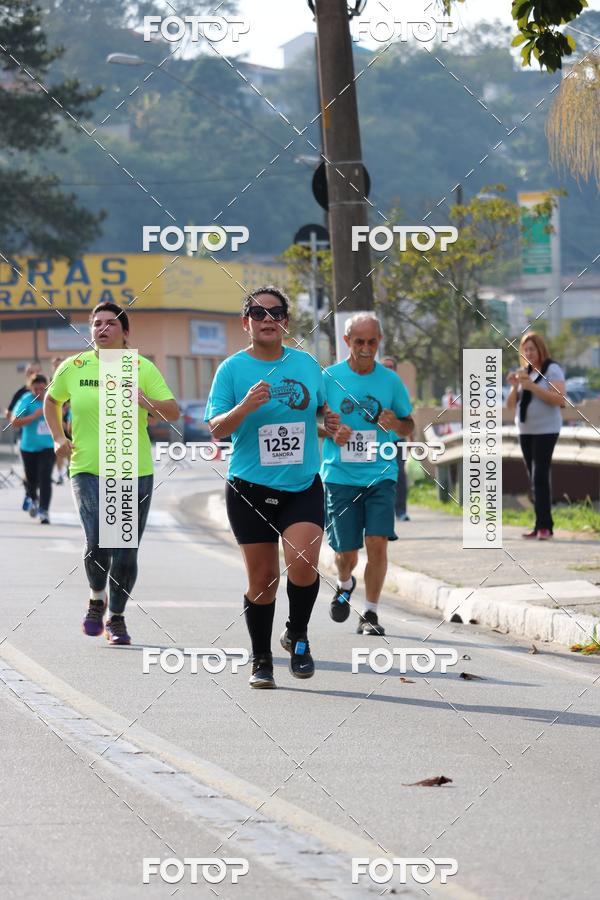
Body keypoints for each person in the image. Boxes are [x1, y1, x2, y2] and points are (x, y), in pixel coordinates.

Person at [205, 286, 325, 689]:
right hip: (249, 488)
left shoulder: (307, 364)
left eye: (275, 312)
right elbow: (217, 428)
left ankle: (298, 633)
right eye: (258, 312)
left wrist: (332, 425)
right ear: (246, 323)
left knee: (304, 562)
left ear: (286, 322)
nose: (267, 318)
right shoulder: (232, 370)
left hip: (302, 484)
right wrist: (245, 407)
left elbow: (322, 408)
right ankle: (261, 659)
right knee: (263, 580)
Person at [43, 301, 179, 644]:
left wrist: (145, 401)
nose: (102, 329)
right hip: (87, 467)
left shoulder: (141, 367)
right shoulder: (74, 366)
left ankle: (116, 617)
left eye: (110, 324)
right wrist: (59, 436)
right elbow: (51, 400)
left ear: (125, 332)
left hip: (133, 469)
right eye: (96, 324)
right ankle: (95, 597)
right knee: (98, 541)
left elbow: (172, 412)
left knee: (125, 547)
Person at [321, 313, 413, 636]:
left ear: (379, 342)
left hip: (380, 474)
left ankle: (370, 613)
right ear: (346, 342)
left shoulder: (390, 381)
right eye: (358, 341)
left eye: (371, 342)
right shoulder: (329, 378)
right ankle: (345, 582)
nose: (365, 348)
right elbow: (311, 421)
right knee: (346, 553)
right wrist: (330, 432)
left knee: (377, 543)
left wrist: (397, 425)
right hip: (340, 476)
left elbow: (409, 424)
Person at [506, 331, 566, 540]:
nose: (529, 353)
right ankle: (539, 523)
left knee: (540, 476)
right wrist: (516, 387)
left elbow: (559, 400)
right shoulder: (526, 372)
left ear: (540, 349)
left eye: (532, 349)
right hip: (526, 430)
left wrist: (532, 386)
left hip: (546, 429)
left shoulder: (552, 369)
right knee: (533, 478)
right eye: (525, 350)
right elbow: (511, 406)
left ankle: (545, 527)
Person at [10, 374, 55, 524]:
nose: (39, 392)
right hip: (28, 447)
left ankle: (44, 511)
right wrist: (34, 415)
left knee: (45, 478)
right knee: (31, 479)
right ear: (31, 388)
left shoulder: (52, 398)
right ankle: (33, 499)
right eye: (36, 389)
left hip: (48, 446)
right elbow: (14, 421)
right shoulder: (26, 400)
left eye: (42, 388)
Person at [381, 356, 411, 521]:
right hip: (378, 441)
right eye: (385, 366)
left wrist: (411, 439)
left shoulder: (401, 389)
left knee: (399, 473)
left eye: (391, 366)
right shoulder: (374, 387)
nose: (388, 369)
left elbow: (408, 417)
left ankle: (400, 511)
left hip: (398, 440)